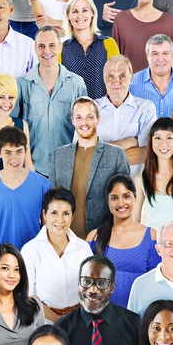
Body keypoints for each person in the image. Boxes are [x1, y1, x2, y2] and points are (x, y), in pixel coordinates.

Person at [54, 255, 141, 345]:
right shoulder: (62, 327)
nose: (92, 290)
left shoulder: (133, 322)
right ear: (78, 283)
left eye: (101, 283)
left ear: (112, 287)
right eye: (86, 281)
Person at [50, 97, 130, 239]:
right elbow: (52, 199)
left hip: (102, 237)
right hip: (65, 237)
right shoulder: (59, 155)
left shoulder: (116, 154)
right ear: (73, 120)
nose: (84, 123)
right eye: (79, 117)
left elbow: (124, 201)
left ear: (98, 119)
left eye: (89, 117)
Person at [15, 26, 87, 177]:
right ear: (35, 48)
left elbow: (85, 127)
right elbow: (15, 127)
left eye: (52, 45)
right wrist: (25, 160)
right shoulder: (21, 84)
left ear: (60, 47)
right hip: (33, 169)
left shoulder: (77, 83)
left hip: (69, 169)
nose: (47, 51)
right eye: (41, 46)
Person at [87, 174, 159, 308]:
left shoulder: (151, 236)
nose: (121, 203)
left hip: (139, 316)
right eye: (114, 198)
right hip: (102, 316)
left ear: (135, 198)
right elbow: (86, 284)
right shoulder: (94, 237)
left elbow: (156, 282)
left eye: (126, 196)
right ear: (107, 201)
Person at [21, 188, 92, 321]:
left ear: (72, 216)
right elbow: (27, 295)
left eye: (66, 213)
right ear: (44, 214)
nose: (60, 219)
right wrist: (58, 319)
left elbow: (91, 287)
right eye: (54, 213)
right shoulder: (30, 250)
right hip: (44, 321)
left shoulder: (83, 248)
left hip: (80, 318)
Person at [0, 126, 51, 249]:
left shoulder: (43, 184)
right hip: (0, 255)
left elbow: (46, 226)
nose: (14, 157)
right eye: (8, 152)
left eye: (19, 151)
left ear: (25, 151)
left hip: (34, 255)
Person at [94, 55, 157, 178]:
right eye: (111, 76)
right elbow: (83, 153)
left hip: (134, 188)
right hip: (98, 189)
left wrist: (100, 154)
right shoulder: (91, 109)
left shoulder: (146, 108)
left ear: (131, 78)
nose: (116, 81)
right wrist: (130, 142)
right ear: (104, 78)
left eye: (122, 76)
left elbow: (147, 153)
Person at [112, 0, 173, 73]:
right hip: (129, 85)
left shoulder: (168, 21)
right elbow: (116, 59)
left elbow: (172, 60)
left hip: (160, 86)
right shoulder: (121, 19)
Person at [62, 0, 119, 99]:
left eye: (85, 10)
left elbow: (116, 80)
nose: (80, 16)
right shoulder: (61, 48)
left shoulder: (109, 43)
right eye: (74, 11)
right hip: (72, 111)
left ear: (92, 13)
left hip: (103, 111)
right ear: (68, 16)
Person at [129, 34, 173, 118]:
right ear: (147, 56)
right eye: (155, 54)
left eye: (165, 53)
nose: (160, 59)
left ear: (172, 55)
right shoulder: (131, 83)